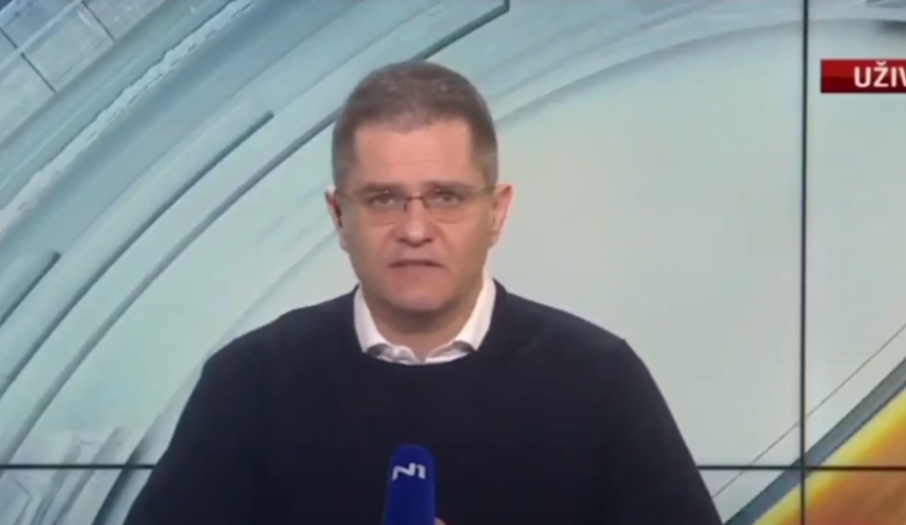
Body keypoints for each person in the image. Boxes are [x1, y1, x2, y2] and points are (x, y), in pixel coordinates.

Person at [123, 60, 722, 525]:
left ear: (496, 211)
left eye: (446, 197)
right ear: (339, 216)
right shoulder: (250, 382)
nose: (414, 229)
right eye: (384, 199)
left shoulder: (599, 380)